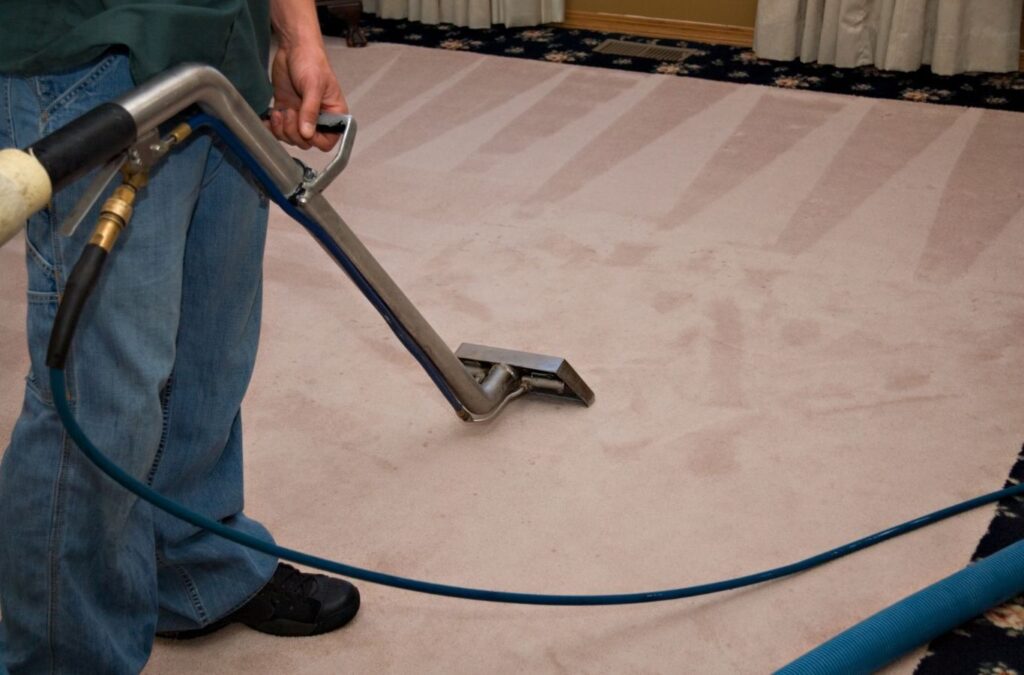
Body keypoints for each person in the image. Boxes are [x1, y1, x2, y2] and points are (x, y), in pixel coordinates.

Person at [0, 1, 360, 672]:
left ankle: (192, 565)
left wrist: (295, 34)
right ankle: (60, 658)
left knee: (209, 349)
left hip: (225, 43)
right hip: (93, 50)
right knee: (103, 397)